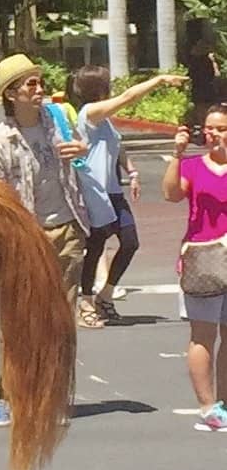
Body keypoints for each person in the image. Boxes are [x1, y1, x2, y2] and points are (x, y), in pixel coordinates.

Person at [0, 53, 88, 426]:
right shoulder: (0, 141)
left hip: (68, 228)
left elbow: (78, 161)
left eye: (40, 82)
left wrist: (81, 153)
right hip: (26, 237)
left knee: (61, 321)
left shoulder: (56, 122)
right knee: (21, 321)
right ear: (12, 94)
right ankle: (9, 395)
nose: (39, 90)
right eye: (31, 84)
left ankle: (52, 398)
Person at [73, 67, 186, 324]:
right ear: (99, 89)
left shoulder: (106, 120)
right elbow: (127, 98)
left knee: (130, 241)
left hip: (113, 190)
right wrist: (158, 80)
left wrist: (132, 172)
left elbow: (117, 146)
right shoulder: (89, 114)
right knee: (95, 246)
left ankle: (106, 294)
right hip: (95, 192)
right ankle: (87, 302)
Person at [162, 104, 227, 431]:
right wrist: (177, 154)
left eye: (221, 129)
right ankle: (207, 407)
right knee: (203, 334)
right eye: (210, 128)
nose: (213, 134)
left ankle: (225, 403)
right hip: (203, 260)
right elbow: (171, 194)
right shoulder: (192, 166)